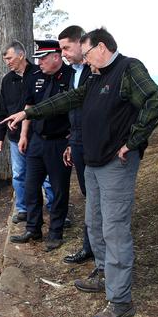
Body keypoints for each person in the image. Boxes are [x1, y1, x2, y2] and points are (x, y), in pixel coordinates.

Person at [2, 27, 158, 317]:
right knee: (94, 221)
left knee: (115, 228)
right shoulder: (94, 76)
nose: (83, 59)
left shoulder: (128, 69)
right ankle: (104, 274)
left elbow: (155, 105)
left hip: (116, 163)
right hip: (92, 163)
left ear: (101, 48)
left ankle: (120, 301)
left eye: (86, 53)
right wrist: (29, 114)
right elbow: (68, 100)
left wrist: (133, 141)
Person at [9, 39, 72, 252]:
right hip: (37, 141)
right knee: (30, 185)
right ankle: (33, 228)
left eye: (43, 58)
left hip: (59, 142)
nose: (39, 62)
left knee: (59, 188)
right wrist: (24, 136)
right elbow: (29, 107)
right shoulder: (35, 77)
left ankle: (56, 232)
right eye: (38, 59)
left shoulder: (71, 77)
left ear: (56, 56)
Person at [0, 40, 54, 224]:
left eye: (10, 58)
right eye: (5, 59)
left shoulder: (39, 74)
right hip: (14, 137)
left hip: (38, 135)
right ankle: (23, 208)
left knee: (47, 175)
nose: (7, 62)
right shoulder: (7, 80)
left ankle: (53, 207)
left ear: (21, 55)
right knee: (19, 174)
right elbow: (2, 109)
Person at [58, 25, 95, 265]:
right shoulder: (73, 73)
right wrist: (72, 142)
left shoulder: (97, 71)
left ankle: (93, 248)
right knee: (87, 196)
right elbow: (73, 111)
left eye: (66, 48)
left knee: (95, 199)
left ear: (81, 43)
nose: (63, 54)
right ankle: (90, 246)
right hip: (79, 143)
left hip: (97, 144)